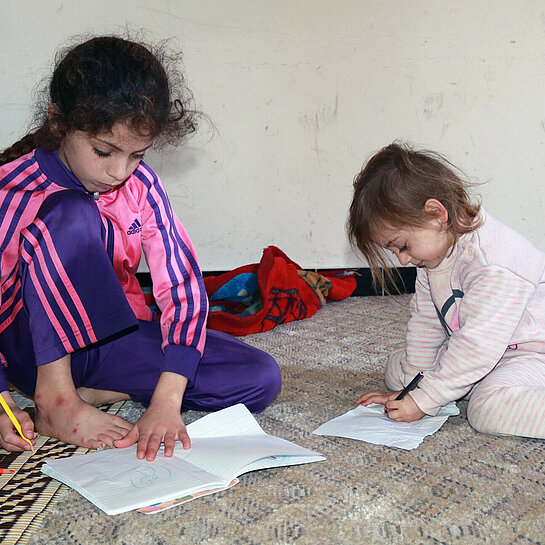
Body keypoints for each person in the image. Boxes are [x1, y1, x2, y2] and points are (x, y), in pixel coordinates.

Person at [0, 35, 281, 460]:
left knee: (259, 377)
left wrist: (166, 401)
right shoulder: (12, 189)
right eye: (104, 151)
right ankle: (56, 400)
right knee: (72, 214)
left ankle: (92, 393)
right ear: (59, 123)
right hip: (34, 352)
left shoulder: (142, 184)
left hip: (113, 337)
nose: (119, 172)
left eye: (136, 155)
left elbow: (181, 285)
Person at [348, 142, 545, 439]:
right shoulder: (434, 257)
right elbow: (427, 320)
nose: (403, 259)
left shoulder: (494, 262)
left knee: (487, 409)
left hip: (531, 354)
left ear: (436, 213)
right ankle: (457, 383)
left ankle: (474, 387)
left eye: (402, 246)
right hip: (486, 350)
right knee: (399, 370)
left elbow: (478, 345)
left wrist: (424, 399)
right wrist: (414, 386)